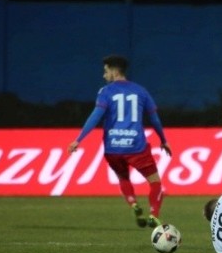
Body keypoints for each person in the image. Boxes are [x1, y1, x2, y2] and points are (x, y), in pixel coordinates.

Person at [68, 54, 171, 228]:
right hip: (136, 146)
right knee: (155, 182)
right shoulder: (140, 91)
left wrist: (79, 139)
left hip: (113, 148)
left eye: (105, 71)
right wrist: (163, 140)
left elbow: (96, 116)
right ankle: (153, 214)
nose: (104, 75)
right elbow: (154, 119)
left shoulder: (105, 92)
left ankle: (133, 203)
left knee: (123, 177)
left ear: (114, 71)